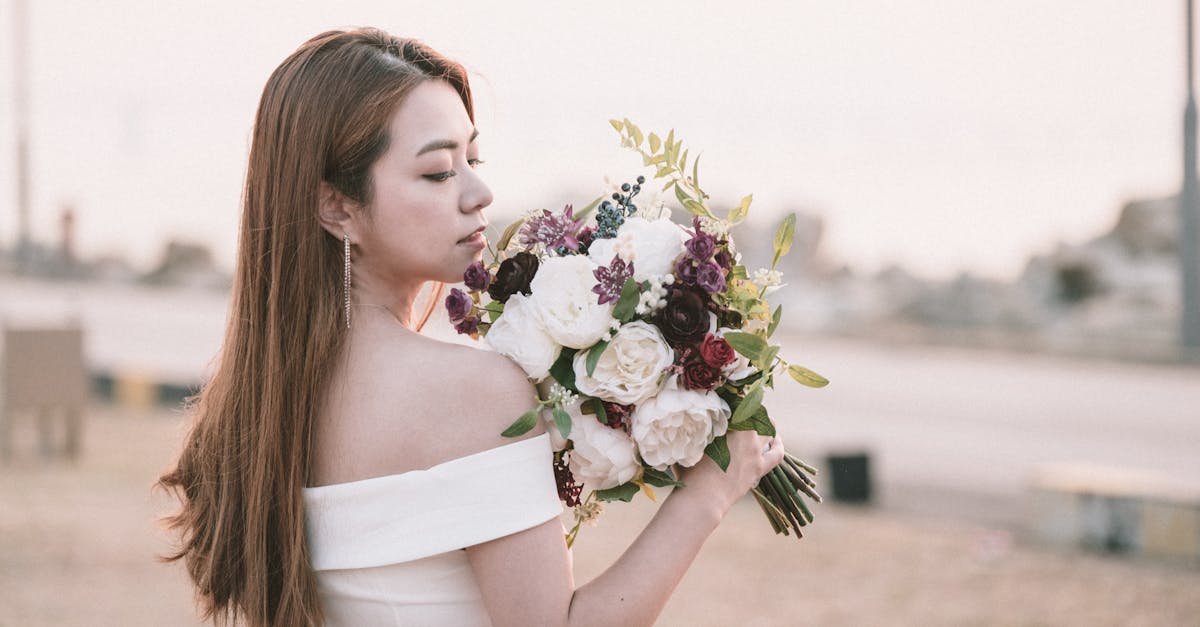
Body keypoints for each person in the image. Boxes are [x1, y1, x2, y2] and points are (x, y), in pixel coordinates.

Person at [159, 27, 785, 626]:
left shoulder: (259, 402)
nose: (479, 192)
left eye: (473, 158)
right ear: (337, 206)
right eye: (438, 172)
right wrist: (708, 494)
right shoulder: (474, 390)